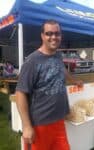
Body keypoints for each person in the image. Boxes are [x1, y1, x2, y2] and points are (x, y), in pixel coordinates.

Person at [15, 20, 83, 150]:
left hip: (59, 122)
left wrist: (74, 81)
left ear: (61, 35)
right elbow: (20, 93)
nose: (53, 37)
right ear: (42, 36)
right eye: (49, 33)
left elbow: (61, 69)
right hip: (40, 125)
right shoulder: (32, 61)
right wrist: (27, 126)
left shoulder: (57, 55)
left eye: (57, 33)